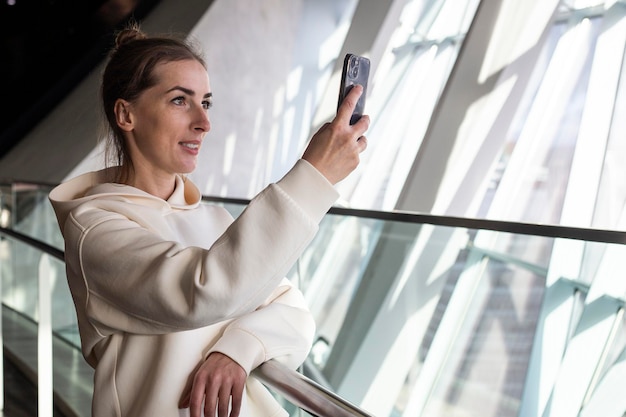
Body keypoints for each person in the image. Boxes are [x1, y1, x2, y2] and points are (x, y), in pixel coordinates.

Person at [48, 22, 369, 417]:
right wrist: (314, 175)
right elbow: (202, 291)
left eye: (207, 102)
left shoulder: (215, 219)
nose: (204, 121)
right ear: (126, 114)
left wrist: (238, 349)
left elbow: (294, 312)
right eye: (180, 100)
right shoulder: (94, 230)